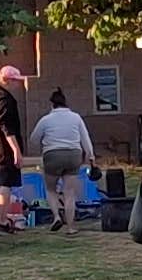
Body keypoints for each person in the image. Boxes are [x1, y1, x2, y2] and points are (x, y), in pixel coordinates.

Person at [27, 90, 95, 228]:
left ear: (52, 105)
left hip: (52, 155)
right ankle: (71, 227)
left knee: (51, 189)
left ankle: (57, 216)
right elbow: (85, 139)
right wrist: (91, 156)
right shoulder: (76, 118)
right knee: (69, 192)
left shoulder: (45, 120)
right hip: (74, 155)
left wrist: (45, 141)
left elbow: (33, 139)